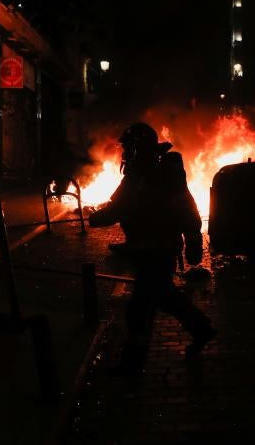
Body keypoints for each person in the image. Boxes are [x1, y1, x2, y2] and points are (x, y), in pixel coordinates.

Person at [89, 122, 217, 375]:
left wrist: (97, 218)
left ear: (137, 148)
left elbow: (121, 208)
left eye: (128, 147)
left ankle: (131, 365)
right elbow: (121, 204)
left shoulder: (152, 175)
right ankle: (201, 329)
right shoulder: (146, 173)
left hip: (156, 249)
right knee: (162, 296)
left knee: (141, 307)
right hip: (152, 248)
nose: (124, 153)